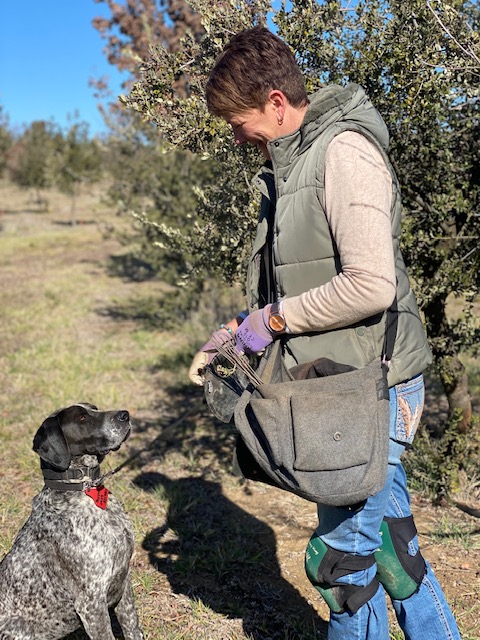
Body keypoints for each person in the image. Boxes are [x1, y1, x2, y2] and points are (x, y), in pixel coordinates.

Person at [188, 26, 461, 640]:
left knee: (340, 566)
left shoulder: (344, 155)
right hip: (337, 387)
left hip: (376, 386)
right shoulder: (284, 170)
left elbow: (372, 285)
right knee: (391, 551)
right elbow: (290, 284)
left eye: (238, 120)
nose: (236, 135)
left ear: (277, 103)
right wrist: (240, 334)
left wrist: (271, 322)